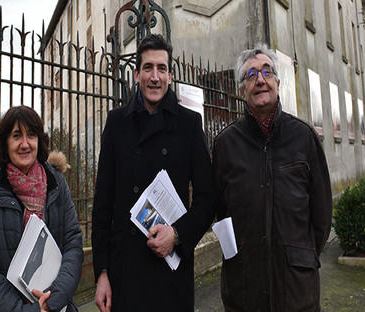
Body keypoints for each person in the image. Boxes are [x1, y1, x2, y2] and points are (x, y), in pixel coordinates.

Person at [92, 34, 215, 312]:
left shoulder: (189, 124)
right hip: (125, 273)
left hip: (170, 273)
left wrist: (177, 234)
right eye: (148, 68)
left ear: (170, 75)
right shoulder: (116, 123)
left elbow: (208, 200)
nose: (154, 77)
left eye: (161, 68)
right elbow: (102, 206)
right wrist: (102, 273)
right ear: (136, 75)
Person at [212, 46, 333, 312]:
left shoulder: (304, 138)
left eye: (267, 72)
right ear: (241, 90)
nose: (260, 80)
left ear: (278, 83)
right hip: (244, 291)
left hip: (296, 292)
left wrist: (300, 256)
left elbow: (322, 216)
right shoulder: (226, 144)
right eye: (251, 75)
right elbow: (221, 212)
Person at [0, 105, 83, 312]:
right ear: (5, 143)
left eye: (31, 135)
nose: (24, 144)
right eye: (16, 136)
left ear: (39, 140)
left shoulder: (56, 181)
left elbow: (73, 244)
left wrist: (53, 299)